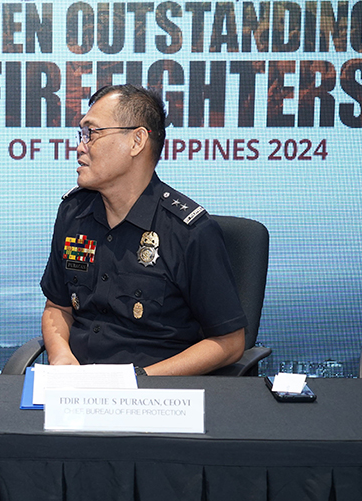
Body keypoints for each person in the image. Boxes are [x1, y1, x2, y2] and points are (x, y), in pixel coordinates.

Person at [40, 84, 247, 376]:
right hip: (78, 391)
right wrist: (61, 357)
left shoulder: (189, 231)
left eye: (92, 134)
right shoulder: (73, 213)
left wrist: (140, 380)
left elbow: (230, 342)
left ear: (137, 141)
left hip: (154, 397)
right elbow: (57, 307)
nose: (80, 146)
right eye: (81, 134)